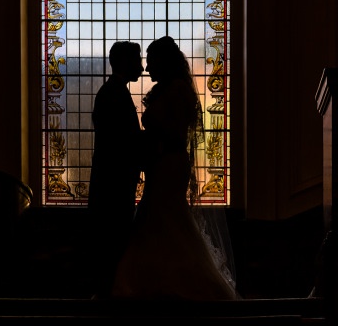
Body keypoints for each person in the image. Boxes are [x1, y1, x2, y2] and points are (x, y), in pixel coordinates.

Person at [111, 36, 238, 300]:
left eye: (152, 61)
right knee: (162, 219)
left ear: (164, 62)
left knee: (162, 216)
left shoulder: (178, 91)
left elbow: (174, 133)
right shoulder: (171, 90)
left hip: (169, 164)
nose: (147, 68)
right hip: (163, 164)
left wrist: (151, 144)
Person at [88, 41, 144, 298]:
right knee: (113, 241)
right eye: (137, 60)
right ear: (124, 62)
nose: (142, 66)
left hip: (113, 183)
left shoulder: (113, 92)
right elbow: (121, 143)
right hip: (114, 186)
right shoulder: (114, 94)